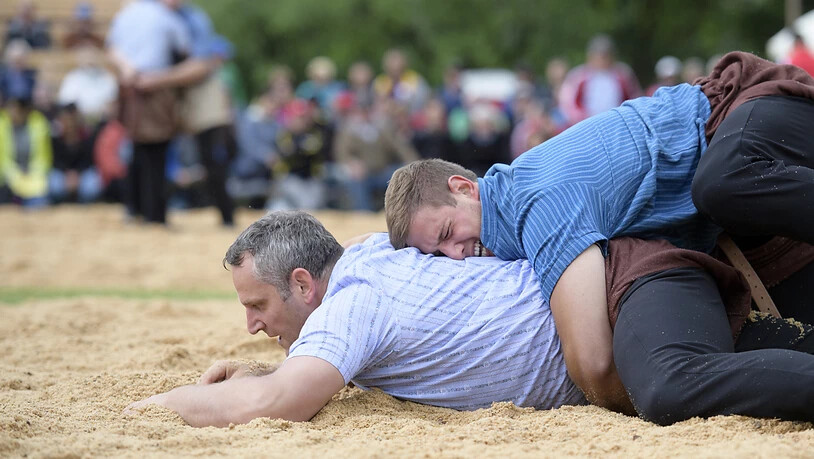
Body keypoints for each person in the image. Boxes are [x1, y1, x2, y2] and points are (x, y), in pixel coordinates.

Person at [385, 51, 814, 408]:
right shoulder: (516, 208)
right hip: (736, 210)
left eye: (445, 233)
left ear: (463, 188)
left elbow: (592, 361)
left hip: (747, 104)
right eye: (437, 254)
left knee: (721, 183)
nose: (455, 254)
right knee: (678, 374)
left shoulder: (532, 203)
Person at [124, 212, 814, 427]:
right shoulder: (369, 253)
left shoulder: (351, 305)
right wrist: (262, 365)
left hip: (629, 289)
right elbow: (290, 374)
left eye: (258, 305)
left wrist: (157, 406)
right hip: (642, 294)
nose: (250, 324)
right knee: (732, 364)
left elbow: (281, 401)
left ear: (305, 283)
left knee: (671, 387)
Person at [106, 0, 192, 224]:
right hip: (156, 88)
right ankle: (155, 214)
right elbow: (185, 47)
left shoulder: (125, 13)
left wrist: (128, 70)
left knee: (137, 149)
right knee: (157, 152)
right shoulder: (166, 16)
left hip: (129, 86)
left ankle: (134, 209)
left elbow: (111, 48)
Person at [0, 95, 51, 207]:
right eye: (10, 109)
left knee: (39, 203)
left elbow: (43, 158)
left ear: (25, 111)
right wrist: (14, 174)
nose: (12, 113)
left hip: (33, 176)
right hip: (8, 178)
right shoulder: (2, 125)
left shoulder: (38, 124)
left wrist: (31, 173)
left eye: (15, 110)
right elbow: (3, 160)